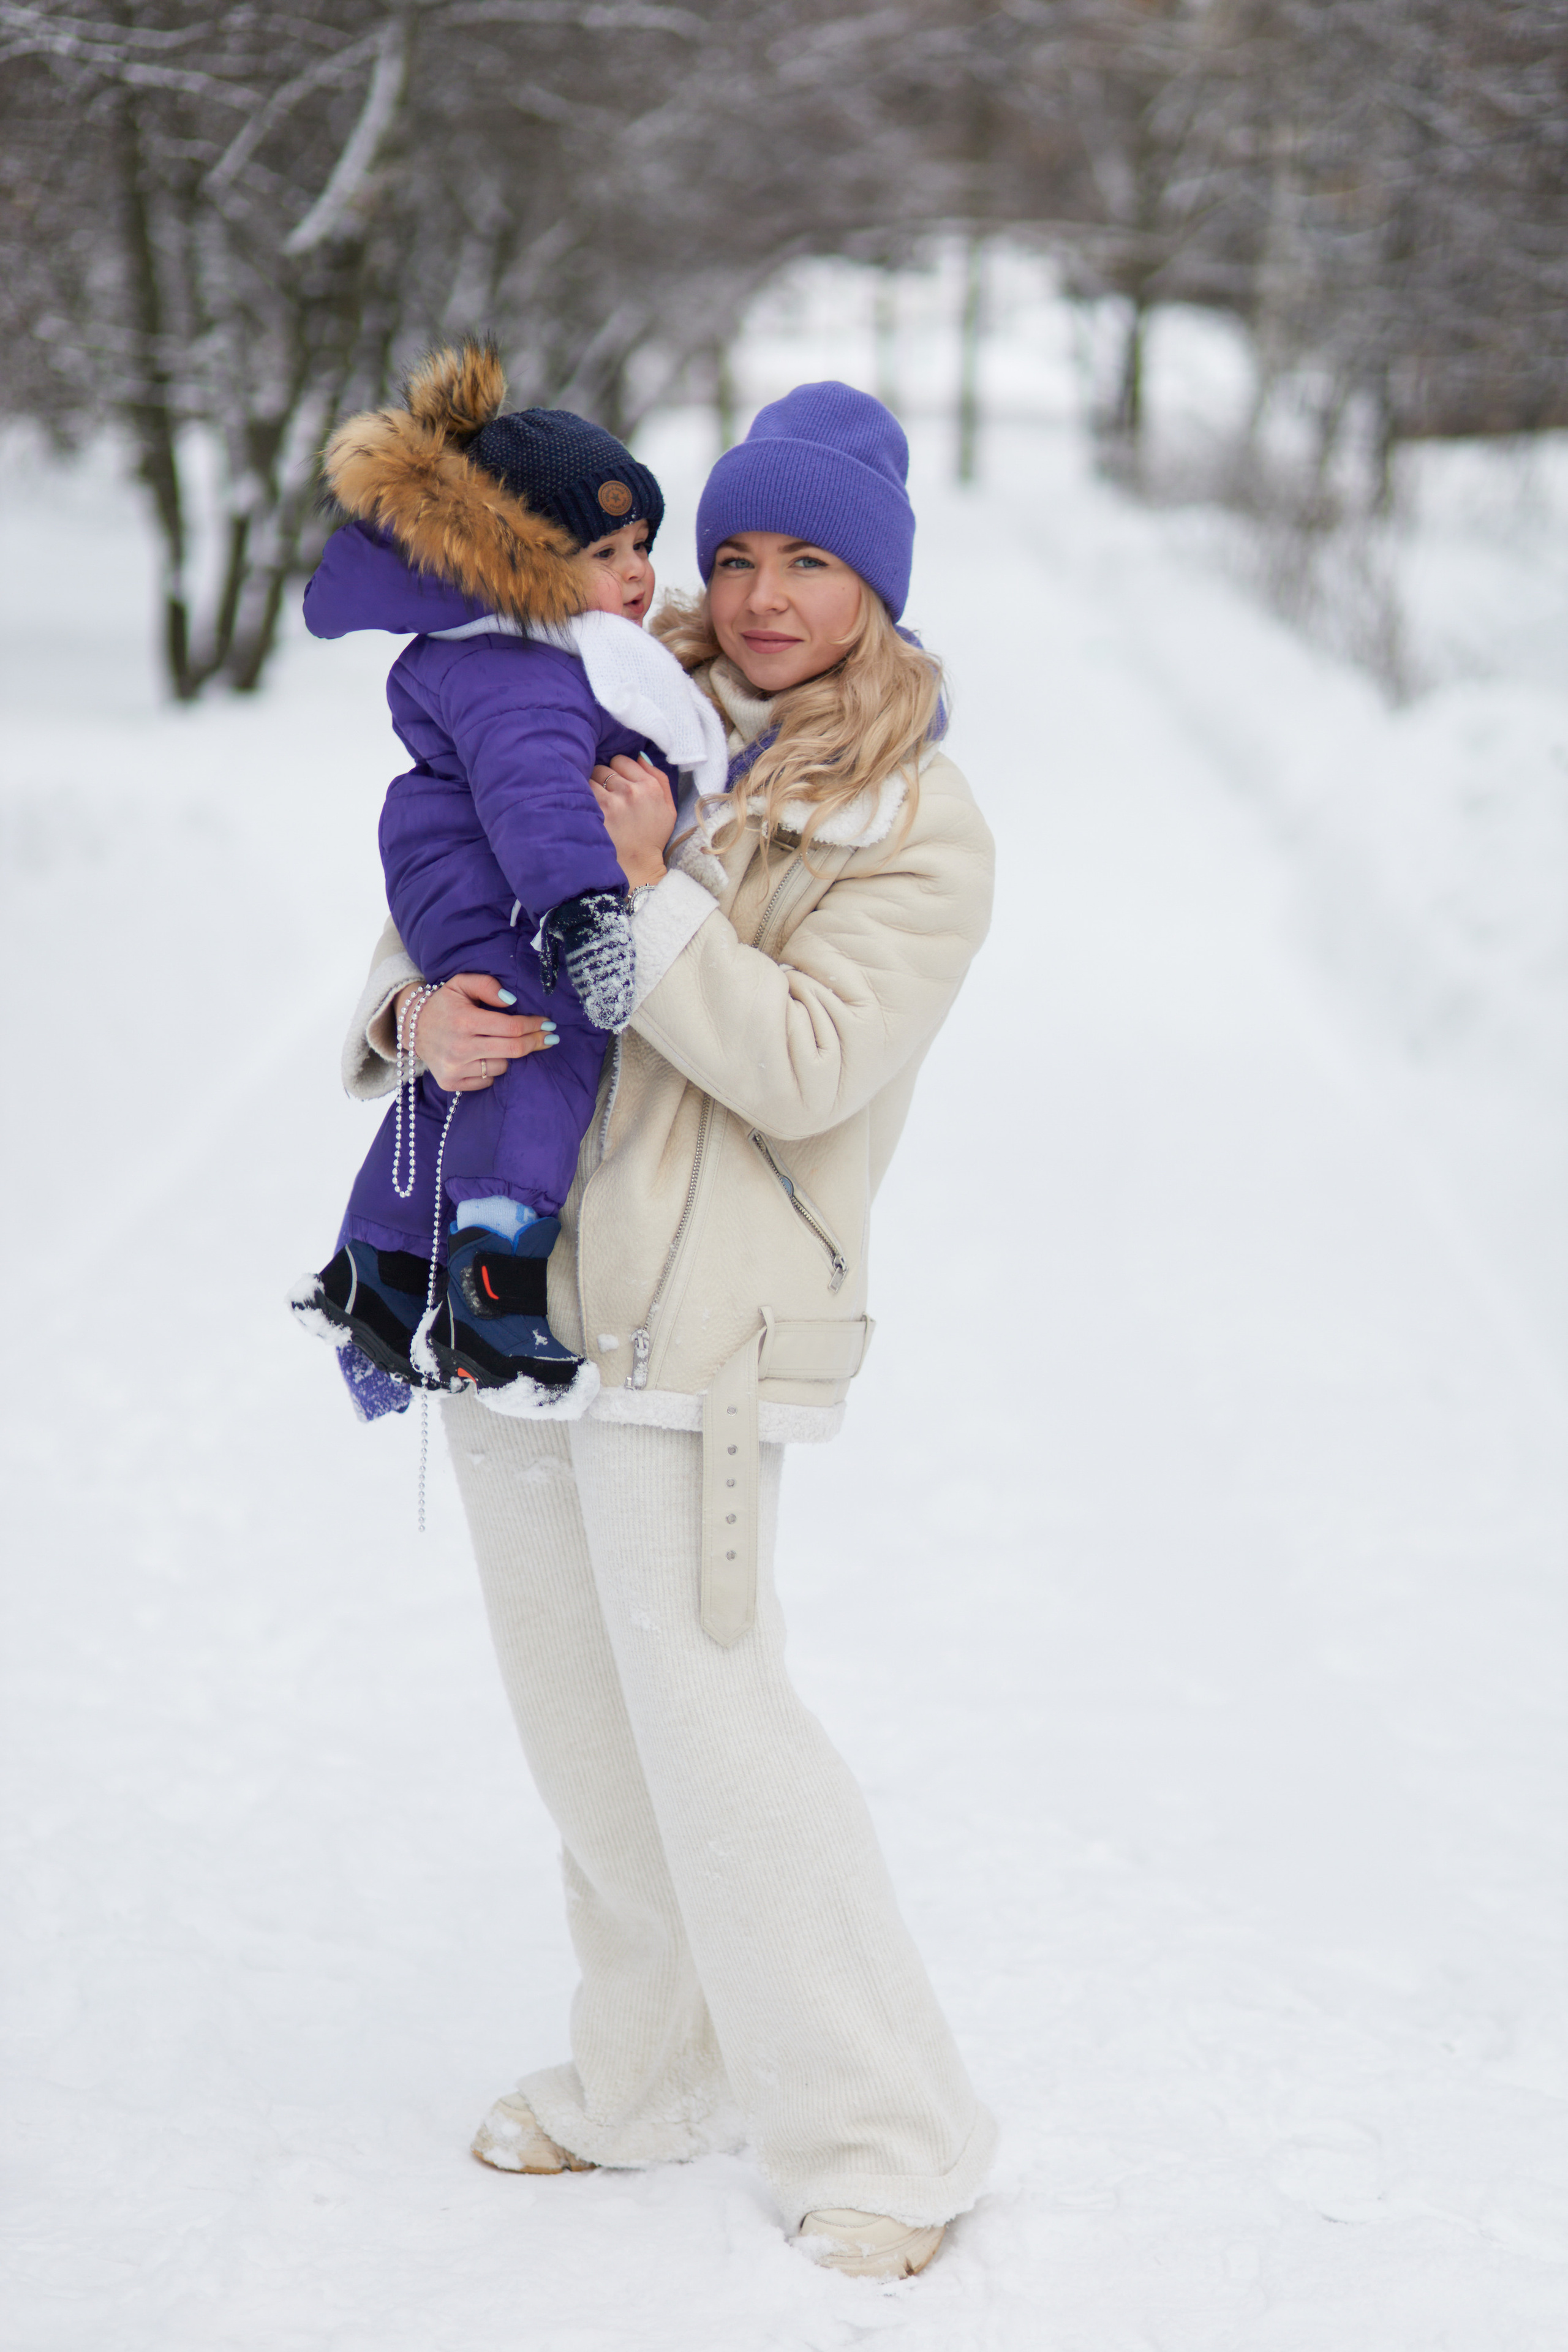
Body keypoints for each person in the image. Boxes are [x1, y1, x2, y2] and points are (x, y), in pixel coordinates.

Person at [332, 380, 997, 2277]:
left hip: (703, 1325)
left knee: (720, 1736)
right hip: (517, 1292)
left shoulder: (914, 823)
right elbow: (444, 896)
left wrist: (652, 892)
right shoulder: (608, 692)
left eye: (813, 562)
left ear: (879, 587)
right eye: (737, 554)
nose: (765, 596)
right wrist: (409, 1021)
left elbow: (810, 1065)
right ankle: (651, 2077)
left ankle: (892, 2141)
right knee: (582, 1728)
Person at [292, 341, 725, 1409]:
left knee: (476, 1060)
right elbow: (536, 796)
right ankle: (493, 1296)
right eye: (604, 551)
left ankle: (382, 1271)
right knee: (541, 1047)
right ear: (518, 563)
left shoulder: (541, 647)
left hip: (470, 873)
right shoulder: (522, 664)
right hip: (500, 881)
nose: (638, 573)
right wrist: (587, 912)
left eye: (643, 544)